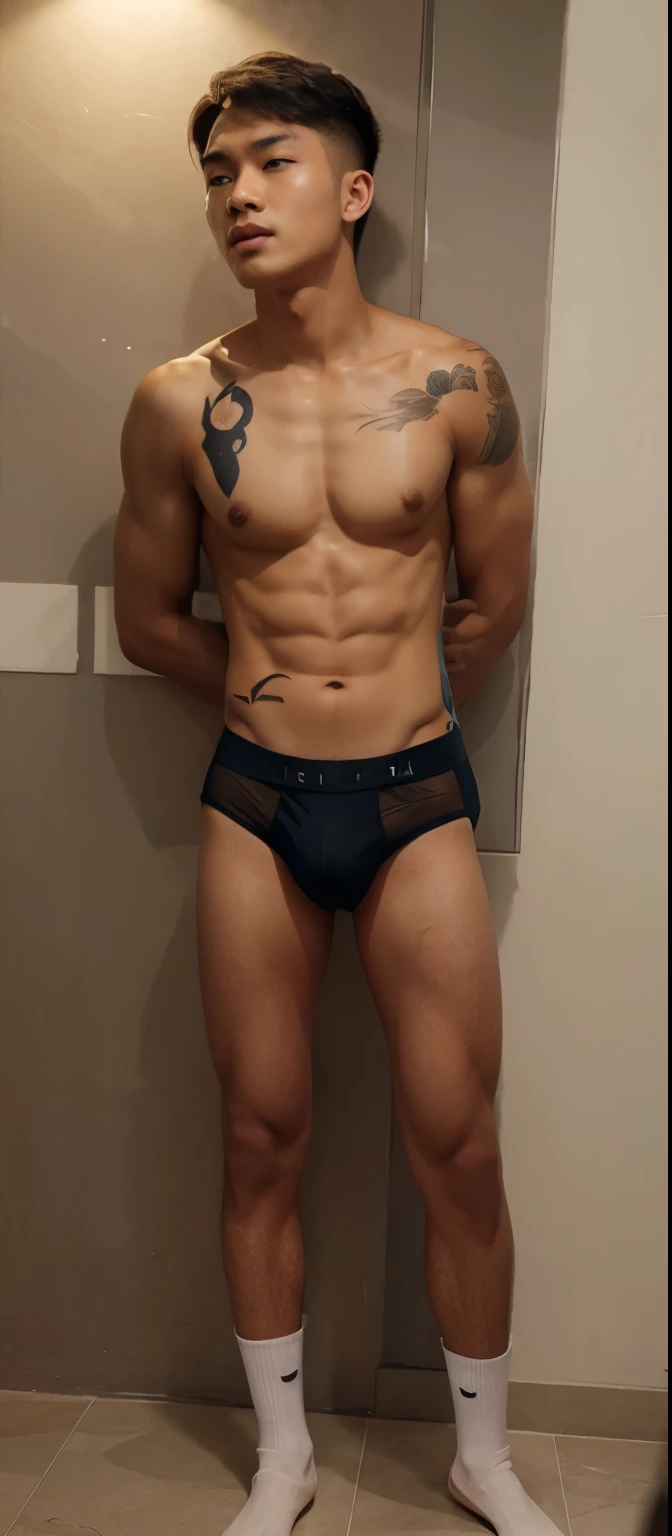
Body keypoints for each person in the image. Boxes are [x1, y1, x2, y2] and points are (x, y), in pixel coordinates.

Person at [113, 51, 557, 1536]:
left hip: (415, 797)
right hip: (256, 802)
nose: (238, 195)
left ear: (353, 189)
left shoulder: (459, 385)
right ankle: (285, 1457)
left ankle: (482, 1459)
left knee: (460, 1143)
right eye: (218, 174)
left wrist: (390, 704)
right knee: (259, 1138)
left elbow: (494, 605)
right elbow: (150, 621)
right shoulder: (176, 403)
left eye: (272, 162)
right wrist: (273, 698)